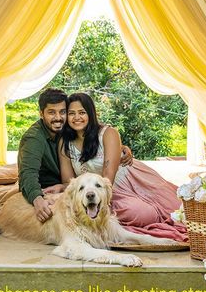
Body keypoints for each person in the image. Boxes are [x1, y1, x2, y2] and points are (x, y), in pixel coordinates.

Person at [57, 92, 188, 242]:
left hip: (125, 181)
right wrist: (59, 188)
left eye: (82, 112)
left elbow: (108, 174)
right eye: (71, 113)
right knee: (142, 213)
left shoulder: (108, 133)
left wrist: (103, 201)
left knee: (174, 209)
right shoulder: (65, 143)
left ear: (91, 113)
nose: (76, 117)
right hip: (100, 190)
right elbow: (69, 182)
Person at [18, 88, 132, 223]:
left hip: (97, 184)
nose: (58, 117)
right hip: (61, 187)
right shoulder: (36, 138)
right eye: (51, 112)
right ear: (41, 114)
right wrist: (38, 200)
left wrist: (120, 147)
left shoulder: (66, 129)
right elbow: (28, 173)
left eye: (63, 112)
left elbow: (96, 140)